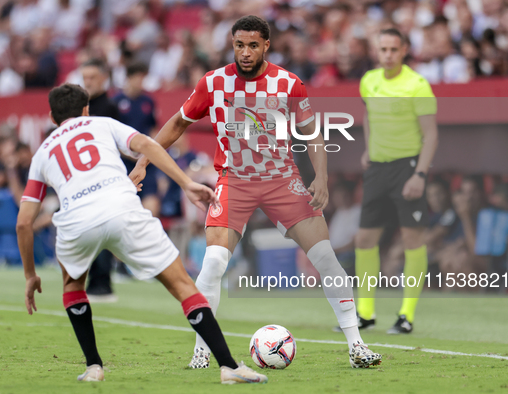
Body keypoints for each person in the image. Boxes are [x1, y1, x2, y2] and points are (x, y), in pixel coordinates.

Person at [130, 15, 381, 369]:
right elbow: (178, 122)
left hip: (282, 180)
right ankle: (202, 351)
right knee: (214, 263)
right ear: (232, 45)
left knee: (326, 258)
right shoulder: (213, 82)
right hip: (234, 181)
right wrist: (144, 161)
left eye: (252, 45)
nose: (245, 53)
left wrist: (321, 177)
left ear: (266, 46)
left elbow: (312, 133)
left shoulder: (288, 83)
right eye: (239, 45)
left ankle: (356, 346)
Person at [16, 84, 267, 384]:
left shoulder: (43, 152)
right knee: (183, 285)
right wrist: (187, 184)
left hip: (75, 221)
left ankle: (94, 366)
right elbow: (146, 144)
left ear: (52, 117)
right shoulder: (103, 124)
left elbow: (23, 223)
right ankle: (229, 367)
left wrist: (30, 274)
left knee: (72, 284)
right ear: (86, 109)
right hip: (123, 209)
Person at [355, 28, 439, 334]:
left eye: (393, 49)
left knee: (411, 240)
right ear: (377, 51)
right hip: (377, 169)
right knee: (364, 239)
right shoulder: (369, 81)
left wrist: (420, 174)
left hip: (408, 167)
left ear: (404, 50)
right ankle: (365, 313)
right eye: (383, 49)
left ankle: (407, 316)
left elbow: (431, 134)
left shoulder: (417, 85)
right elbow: (367, 116)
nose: (387, 54)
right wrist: (368, 147)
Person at [81, 58, 120, 301]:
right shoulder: (83, 106)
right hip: (86, 178)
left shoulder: (109, 108)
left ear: (104, 78)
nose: (88, 82)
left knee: (101, 228)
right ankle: (93, 281)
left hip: (104, 177)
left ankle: (101, 282)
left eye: (92, 78)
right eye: (84, 78)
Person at [114, 63, 161, 216]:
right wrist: (131, 155)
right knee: (123, 206)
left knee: (151, 205)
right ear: (128, 78)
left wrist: (150, 152)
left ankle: (150, 237)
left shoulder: (148, 101)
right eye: (137, 78)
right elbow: (113, 135)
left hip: (146, 161)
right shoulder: (115, 103)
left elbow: (154, 128)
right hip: (123, 162)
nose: (140, 82)